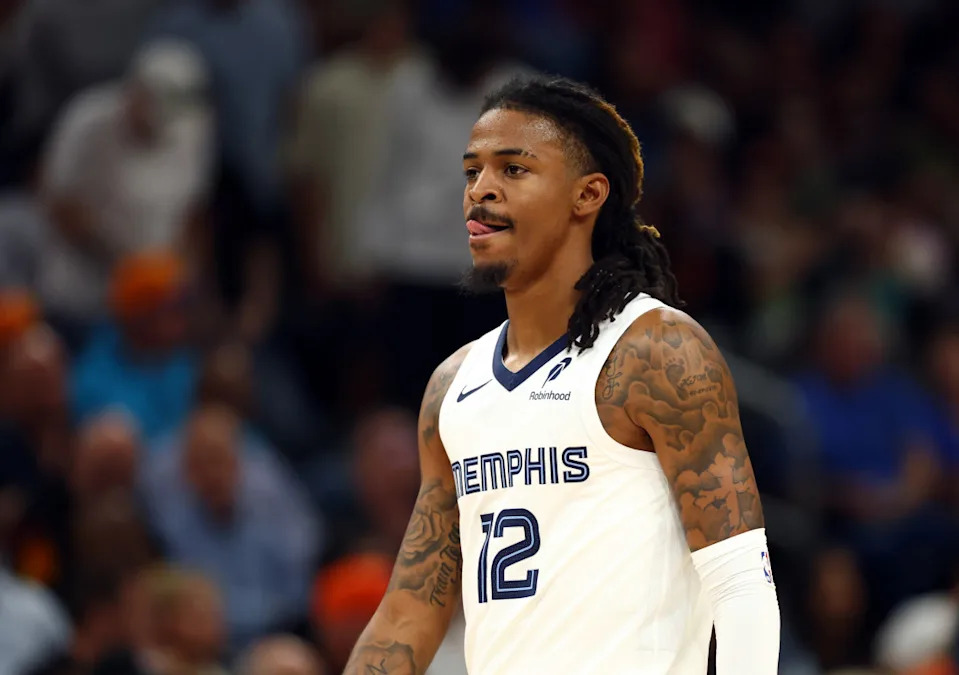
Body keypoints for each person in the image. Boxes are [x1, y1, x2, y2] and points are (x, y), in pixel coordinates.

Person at [344, 76, 781, 674]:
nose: (480, 191)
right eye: (472, 172)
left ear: (588, 195)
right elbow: (410, 610)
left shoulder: (653, 351)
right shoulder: (453, 385)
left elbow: (741, 584)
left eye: (513, 170)